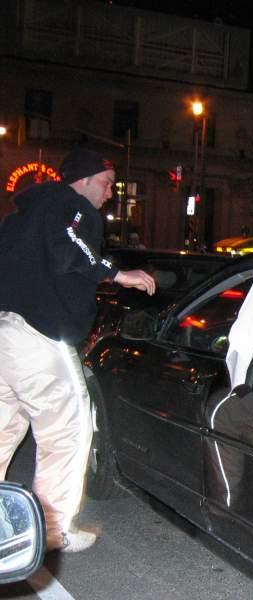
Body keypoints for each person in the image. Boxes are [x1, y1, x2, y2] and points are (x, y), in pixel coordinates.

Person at [0, 148, 156, 553]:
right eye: (106, 183)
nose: (110, 193)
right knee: (68, 427)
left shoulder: (20, 217)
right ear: (83, 180)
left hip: (5, 331)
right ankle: (53, 528)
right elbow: (69, 242)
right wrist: (117, 274)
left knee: (5, 426)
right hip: (38, 335)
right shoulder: (71, 206)